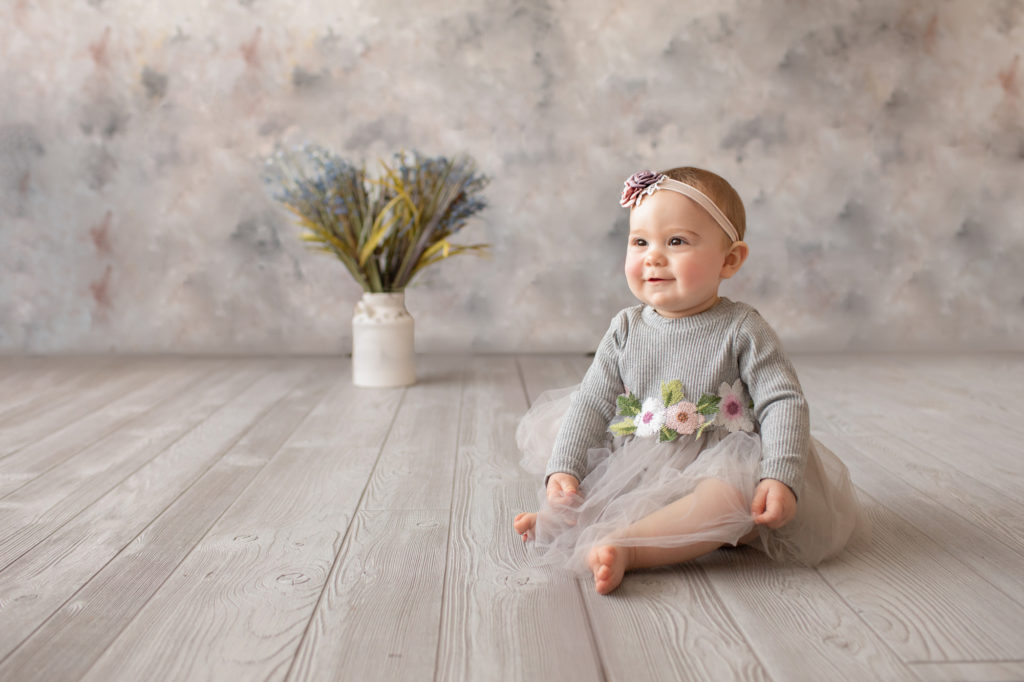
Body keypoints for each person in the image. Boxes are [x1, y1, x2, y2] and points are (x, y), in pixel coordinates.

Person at [512, 167, 860, 595]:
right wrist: (563, 471)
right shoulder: (625, 328)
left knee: (731, 500)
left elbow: (783, 400)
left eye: (676, 241)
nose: (653, 257)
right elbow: (591, 403)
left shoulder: (742, 328)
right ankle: (568, 524)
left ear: (729, 259)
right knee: (587, 488)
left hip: (723, 460)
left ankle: (629, 547)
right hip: (641, 461)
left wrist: (779, 475)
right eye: (640, 242)